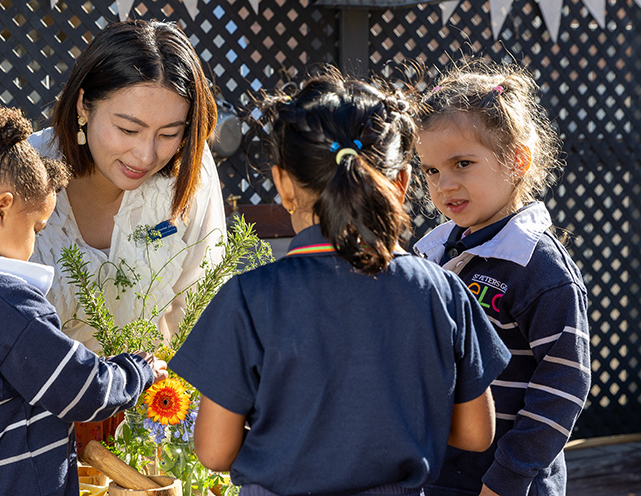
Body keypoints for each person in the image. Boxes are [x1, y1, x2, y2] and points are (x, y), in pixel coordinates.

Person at [169, 71, 512, 496]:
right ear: (401, 183)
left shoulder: (249, 298)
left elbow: (214, 453)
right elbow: (477, 433)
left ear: (283, 185)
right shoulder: (442, 291)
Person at [0, 106, 168, 496]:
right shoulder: (6, 304)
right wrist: (138, 370)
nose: (34, 245)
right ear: (2, 209)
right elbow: (83, 392)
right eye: (36, 227)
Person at [413, 60, 591, 496]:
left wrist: (506, 480)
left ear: (517, 161)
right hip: (439, 474)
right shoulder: (434, 252)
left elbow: (565, 385)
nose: (444, 185)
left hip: (506, 484)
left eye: (462, 163)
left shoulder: (539, 268)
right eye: (432, 170)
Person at [29, 19, 226, 353]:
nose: (146, 155)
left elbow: (204, 310)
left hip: (158, 398)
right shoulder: (21, 171)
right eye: (128, 129)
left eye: (168, 134)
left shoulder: (189, 168)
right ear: (83, 105)